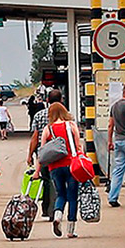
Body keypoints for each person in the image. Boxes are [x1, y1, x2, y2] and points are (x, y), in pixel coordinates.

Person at [39, 102, 83, 238]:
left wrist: (37, 170)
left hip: (54, 167)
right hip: (71, 165)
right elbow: (78, 146)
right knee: (73, 196)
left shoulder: (48, 129)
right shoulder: (71, 125)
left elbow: (42, 151)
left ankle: (57, 216)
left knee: (61, 194)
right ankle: (71, 229)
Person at [27, 88, 62, 220]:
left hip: (43, 154)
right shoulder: (66, 116)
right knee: (59, 180)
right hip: (61, 154)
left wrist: (30, 154)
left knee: (47, 181)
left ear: (47, 100)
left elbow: (35, 137)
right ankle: (57, 208)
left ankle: (47, 209)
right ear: (61, 100)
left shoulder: (39, 115)